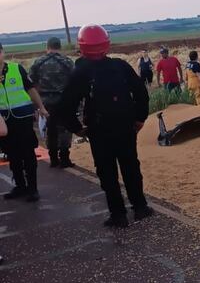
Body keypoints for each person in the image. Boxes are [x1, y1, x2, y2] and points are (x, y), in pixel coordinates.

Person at [57, 24, 153, 229]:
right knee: (130, 167)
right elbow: (141, 93)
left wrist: (77, 128)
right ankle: (140, 207)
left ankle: (118, 215)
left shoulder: (80, 72)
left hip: (98, 130)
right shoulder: (120, 66)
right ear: (106, 44)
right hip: (126, 126)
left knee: (107, 172)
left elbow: (65, 106)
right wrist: (139, 118)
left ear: (82, 46)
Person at [0, 42, 48, 201]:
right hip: (4, 123)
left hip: (23, 119)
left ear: (2, 52)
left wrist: (41, 107)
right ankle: (20, 186)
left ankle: (33, 189)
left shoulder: (16, 69)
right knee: (12, 155)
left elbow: (31, 89)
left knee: (28, 154)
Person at [29, 36, 76, 168]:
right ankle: (65, 158)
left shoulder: (38, 62)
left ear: (47, 47)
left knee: (50, 129)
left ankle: (53, 158)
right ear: (59, 47)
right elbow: (75, 81)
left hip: (45, 102)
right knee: (65, 129)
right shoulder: (67, 62)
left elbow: (30, 83)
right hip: (64, 101)